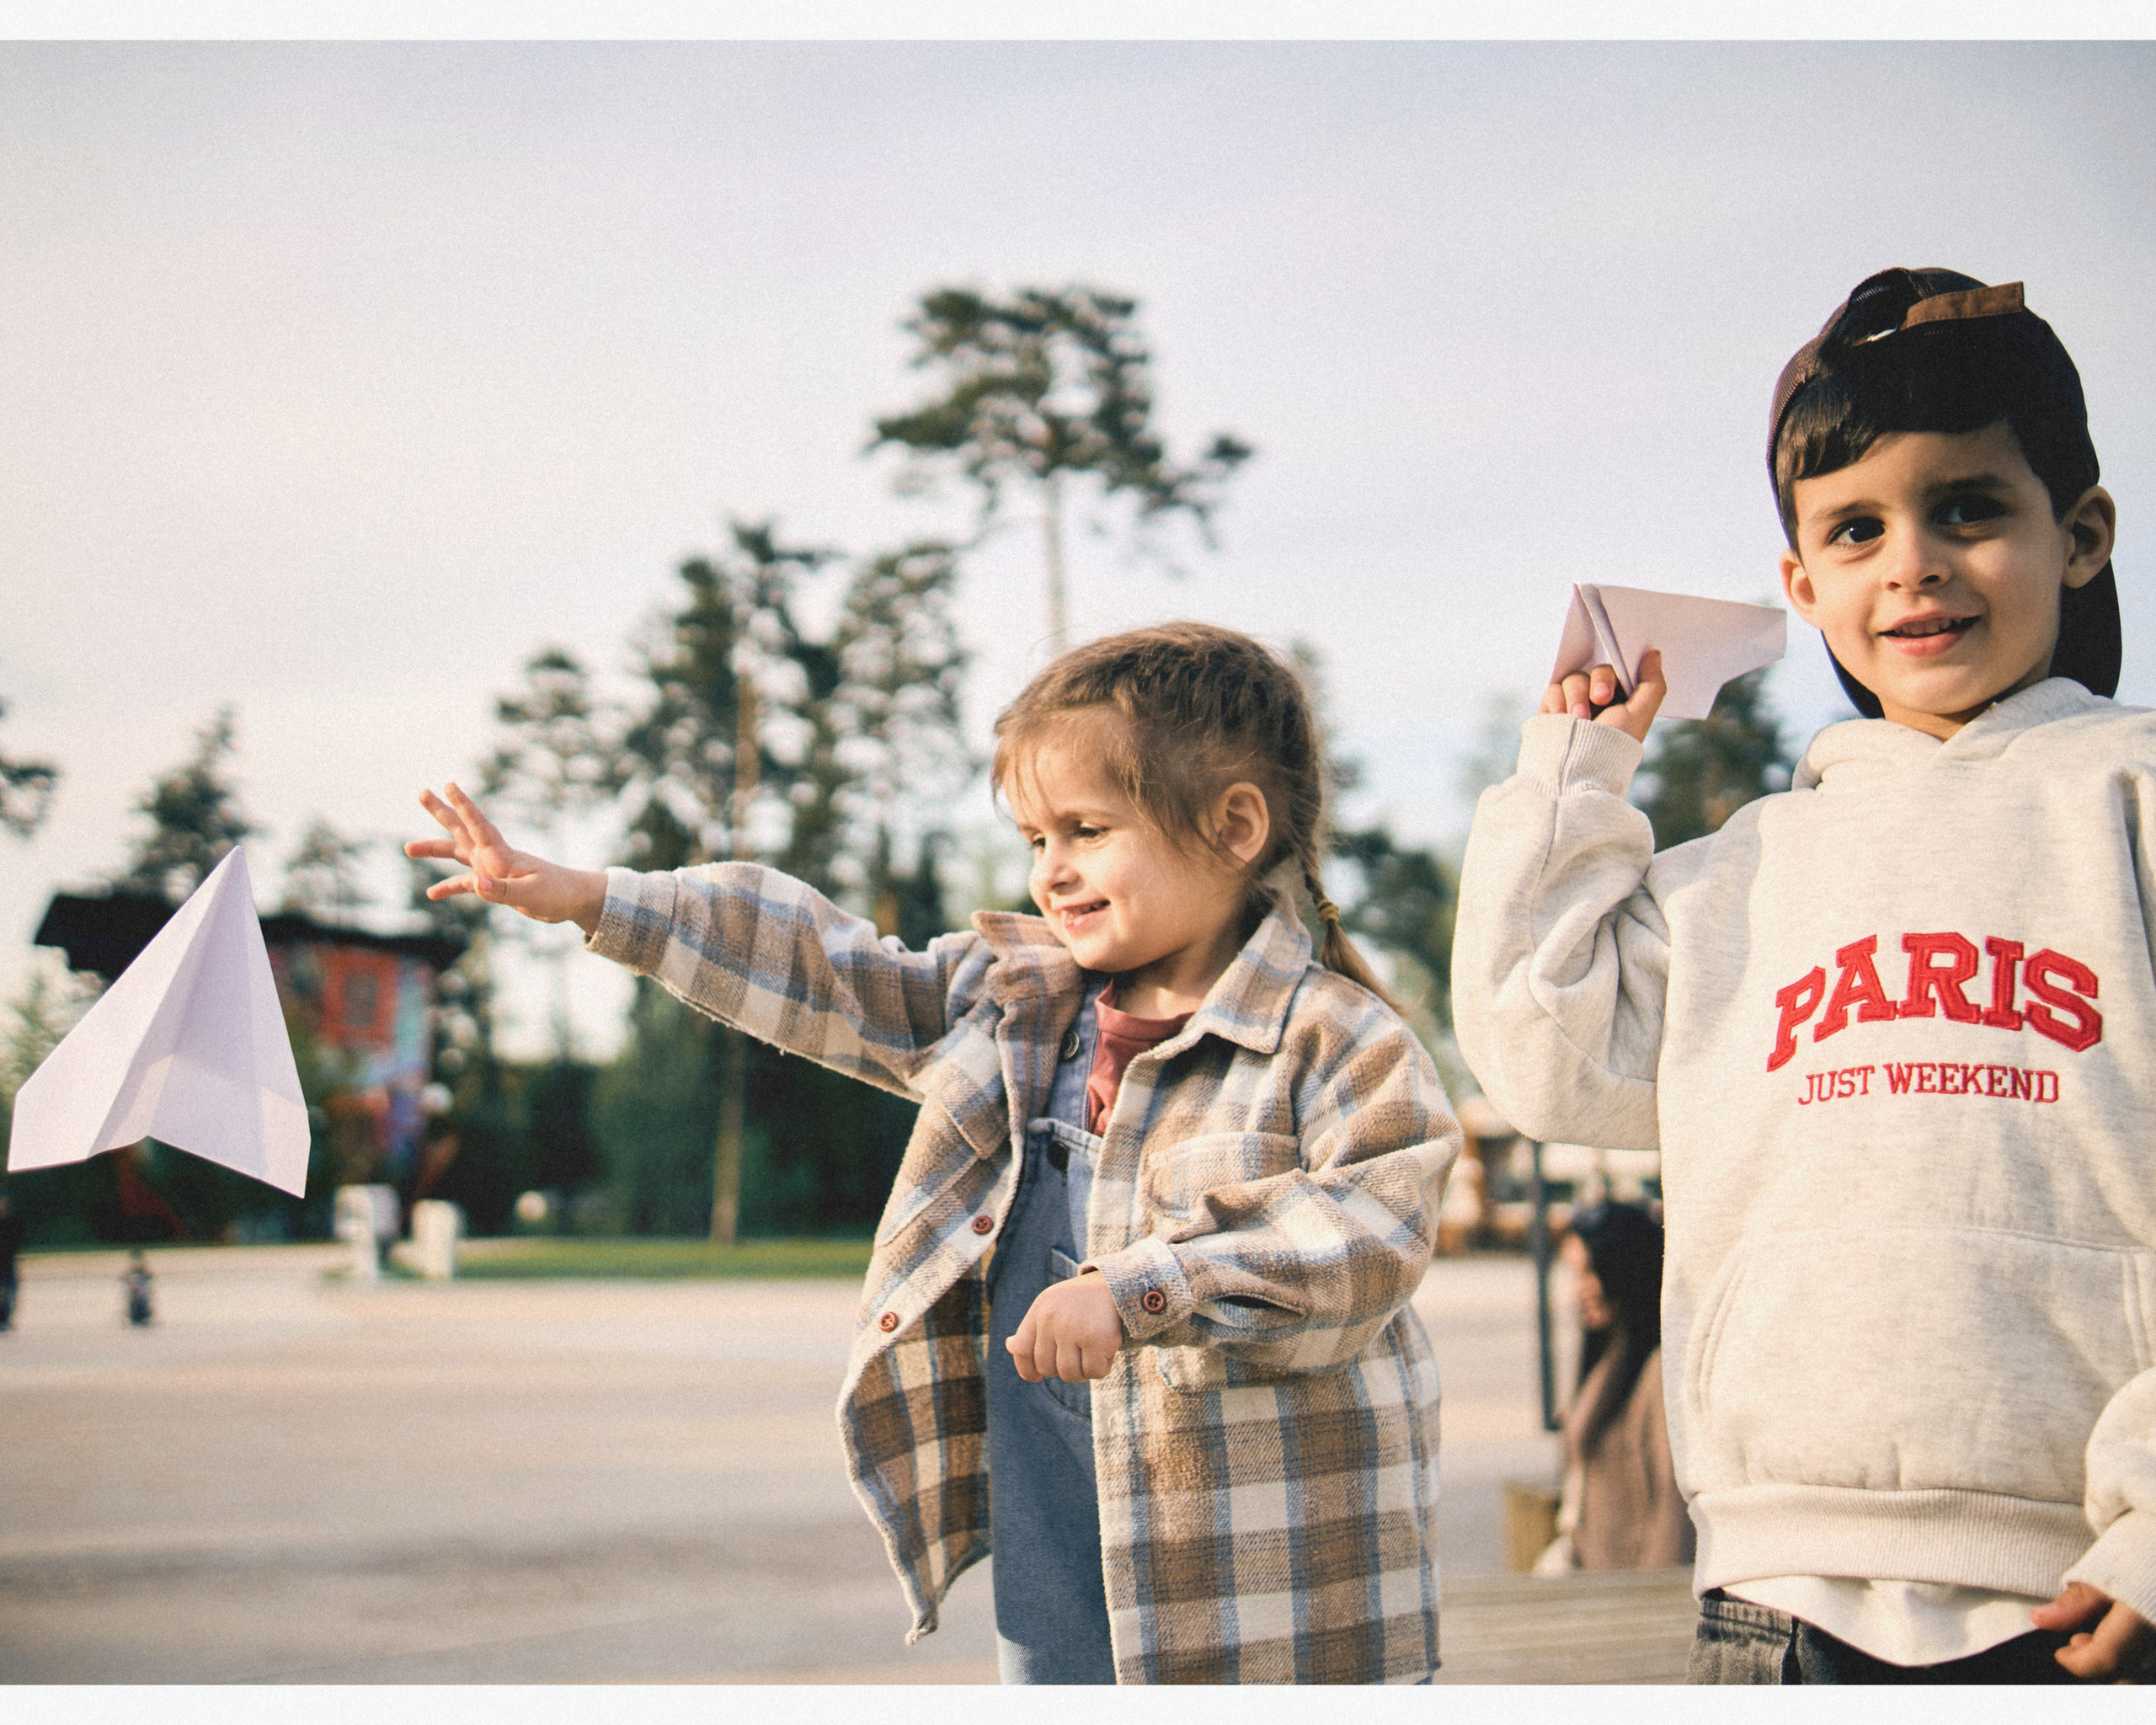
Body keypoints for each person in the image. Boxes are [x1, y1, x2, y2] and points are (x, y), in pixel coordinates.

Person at [406, 622, 1460, 1685]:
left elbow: (1370, 1231)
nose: (1051, 871)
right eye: (1034, 838)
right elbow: (822, 963)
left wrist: (1143, 1283)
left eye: (1086, 829)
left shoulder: (1336, 1039)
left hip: (1274, 1596)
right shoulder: (1014, 1002)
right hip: (1062, 1551)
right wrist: (595, 897)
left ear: (1234, 825)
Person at [1453, 268, 2154, 1684]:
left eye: (1969, 507)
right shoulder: (1737, 875)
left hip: (2088, 1588)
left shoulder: (2131, 802)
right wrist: (1576, 774)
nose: (1913, 560)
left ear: (2078, 536)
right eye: (1857, 527)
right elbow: (1545, 1049)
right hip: (1777, 1593)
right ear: (1803, 582)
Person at [1534, 1201, 1691, 1574]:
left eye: (1589, 1272)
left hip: (1637, 1599)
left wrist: (1656, 1606)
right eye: (1573, 1274)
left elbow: (1674, 1511)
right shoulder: (1611, 1355)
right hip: (1597, 1583)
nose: (1579, 1290)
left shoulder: (1658, 1371)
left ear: (1624, 1268)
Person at [0, 1191, 22, 1332]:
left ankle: (5, 1320)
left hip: (7, 1264)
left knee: (10, 1292)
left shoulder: (12, 1222)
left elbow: (17, 1240)